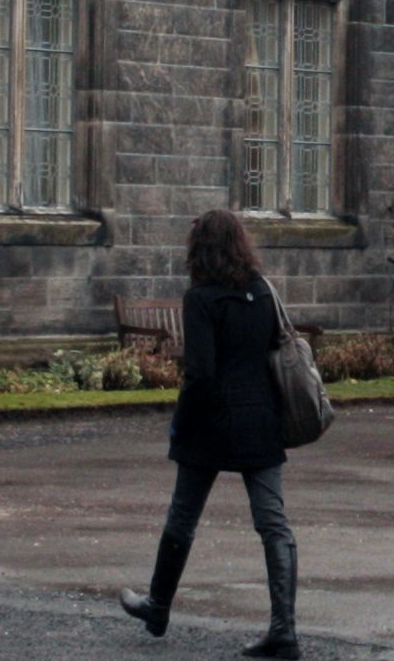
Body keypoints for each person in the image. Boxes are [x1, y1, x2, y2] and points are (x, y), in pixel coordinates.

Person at [121, 208, 299, 658]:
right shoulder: (262, 291)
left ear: (201, 248)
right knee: (273, 523)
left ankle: (158, 607)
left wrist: (181, 422)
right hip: (260, 420)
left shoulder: (200, 299)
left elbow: (200, 374)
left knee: (183, 517)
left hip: (212, 424)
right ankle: (284, 629)